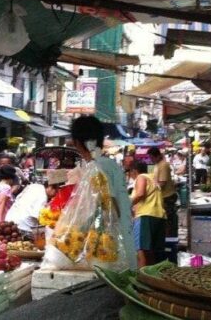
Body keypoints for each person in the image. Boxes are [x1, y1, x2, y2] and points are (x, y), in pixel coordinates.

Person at [69, 115, 137, 269]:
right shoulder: (109, 164)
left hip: (109, 253)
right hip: (119, 246)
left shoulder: (97, 167)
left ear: (77, 143)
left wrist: (81, 228)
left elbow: (110, 207)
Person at [130, 161, 166, 268]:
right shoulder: (153, 178)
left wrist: (127, 204)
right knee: (150, 251)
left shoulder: (141, 177)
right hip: (159, 216)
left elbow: (141, 193)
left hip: (145, 216)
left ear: (134, 171)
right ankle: (152, 277)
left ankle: (142, 279)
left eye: (130, 173)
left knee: (140, 250)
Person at [149, 147, 177, 237]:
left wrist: (151, 190)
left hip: (167, 197)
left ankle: (169, 239)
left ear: (157, 156)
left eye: (152, 157)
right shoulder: (158, 165)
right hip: (162, 196)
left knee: (168, 220)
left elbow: (162, 182)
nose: (151, 160)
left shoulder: (163, 165)